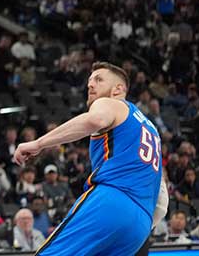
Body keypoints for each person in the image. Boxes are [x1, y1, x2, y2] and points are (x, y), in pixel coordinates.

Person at [14, 62, 166, 256]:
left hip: (113, 201)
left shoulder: (112, 103)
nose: (90, 85)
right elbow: (162, 196)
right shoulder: (151, 130)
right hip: (141, 225)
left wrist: (39, 143)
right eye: (89, 81)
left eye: (98, 79)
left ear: (118, 89)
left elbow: (95, 120)